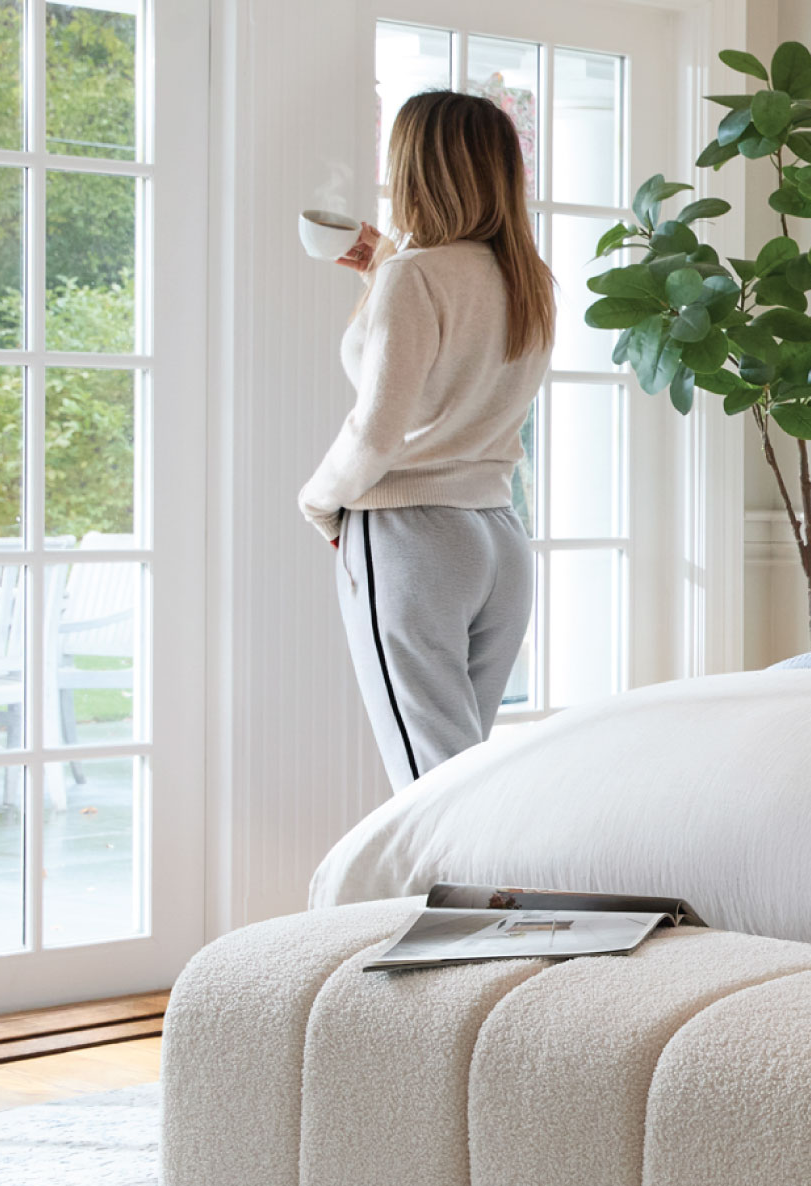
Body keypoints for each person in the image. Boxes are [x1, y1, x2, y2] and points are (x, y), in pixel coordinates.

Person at [299, 91, 554, 790]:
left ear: (416, 170)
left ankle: (460, 903)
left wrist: (318, 502)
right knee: (462, 772)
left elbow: (379, 429)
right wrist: (385, 265)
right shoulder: (528, 280)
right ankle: (498, 900)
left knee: (431, 791)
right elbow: (462, 368)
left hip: (414, 537)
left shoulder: (413, 277)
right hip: (498, 537)